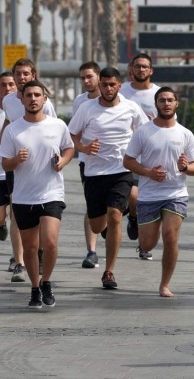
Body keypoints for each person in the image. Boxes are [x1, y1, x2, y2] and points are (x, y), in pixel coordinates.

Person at [68, 67, 148, 289]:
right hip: (94, 173)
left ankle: (109, 272)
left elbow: (144, 132)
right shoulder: (87, 108)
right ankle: (109, 228)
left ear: (119, 85)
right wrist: (83, 147)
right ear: (100, 85)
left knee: (114, 216)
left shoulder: (131, 107)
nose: (108, 88)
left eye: (112, 84)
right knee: (96, 226)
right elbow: (71, 134)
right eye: (105, 84)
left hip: (121, 170)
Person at [0, 80, 74, 308]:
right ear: (21, 99)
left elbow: (69, 148)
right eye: (28, 95)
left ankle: (47, 281)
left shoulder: (58, 125)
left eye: (37, 95)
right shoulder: (13, 129)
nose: (33, 99)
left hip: (51, 193)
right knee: (30, 248)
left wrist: (63, 160)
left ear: (45, 98)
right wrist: (16, 160)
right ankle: (35, 287)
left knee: (50, 243)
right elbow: (5, 164)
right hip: (23, 197)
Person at [123, 87, 194, 297]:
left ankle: (164, 284)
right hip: (148, 195)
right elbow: (128, 161)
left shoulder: (185, 133)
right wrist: (148, 172)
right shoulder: (143, 132)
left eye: (170, 100)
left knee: (170, 236)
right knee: (147, 244)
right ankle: (135, 220)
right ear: (156, 104)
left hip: (176, 194)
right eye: (162, 100)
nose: (166, 104)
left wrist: (185, 168)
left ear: (176, 104)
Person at [1, 58, 57, 283]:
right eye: (18, 73)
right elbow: (8, 125)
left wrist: (59, 160)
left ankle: (40, 252)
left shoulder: (46, 101)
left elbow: (55, 132)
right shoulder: (8, 100)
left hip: (43, 169)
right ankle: (20, 262)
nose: (21, 77)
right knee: (17, 214)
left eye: (26, 73)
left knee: (43, 217)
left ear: (33, 75)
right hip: (17, 166)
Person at [119, 53, 161, 247]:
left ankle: (146, 246)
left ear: (151, 70)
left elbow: (171, 121)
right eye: (137, 66)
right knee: (134, 196)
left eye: (145, 67)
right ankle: (134, 217)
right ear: (131, 69)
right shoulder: (122, 91)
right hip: (127, 154)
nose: (141, 70)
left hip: (153, 154)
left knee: (151, 203)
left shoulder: (159, 94)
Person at [72, 61, 101, 269]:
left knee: (113, 208)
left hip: (117, 165)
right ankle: (91, 251)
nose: (86, 81)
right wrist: (83, 148)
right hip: (87, 163)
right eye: (82, 78)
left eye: (89, 76)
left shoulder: (119, 101)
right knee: (92, 206)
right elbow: (74, 132)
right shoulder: (80, 102)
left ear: (99, 76)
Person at [0, 72, 16, 255]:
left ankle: (16, 258)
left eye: (11, 84)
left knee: (16, 216)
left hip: (14, 171)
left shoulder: (20, 110)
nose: (7, 89)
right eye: (3, 85)